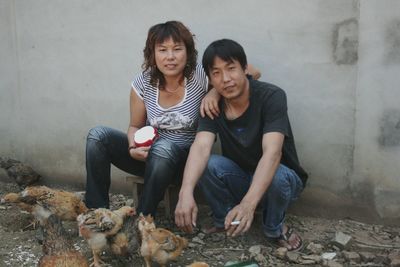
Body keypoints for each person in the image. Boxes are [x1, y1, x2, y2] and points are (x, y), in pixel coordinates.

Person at [84, 21, 259, 216]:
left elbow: (252, 72)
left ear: (188, 51)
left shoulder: (200, 76)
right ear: (153, 53)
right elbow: (134, 126)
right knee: (97, 136)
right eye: (162, 50)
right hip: (149, 159)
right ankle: (96, 213)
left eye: (177, 49)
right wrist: (133, 147)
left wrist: (214, 93)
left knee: (164, 147)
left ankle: (142, 218)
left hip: (183, 164)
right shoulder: (142, 82)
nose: (170, 57)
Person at [175, 39, 308, 251]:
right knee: (206, 162)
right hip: (242, 177)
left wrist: (247, 204)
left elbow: (273, 153)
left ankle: (274, 228)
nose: (225, 79)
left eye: (231, 69)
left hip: (282, 181)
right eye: (216, 73)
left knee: (278, 174)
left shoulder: (271, 96)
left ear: (245, 69)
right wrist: (185, 192)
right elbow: (200, 148)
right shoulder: (211, 106)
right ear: (210, 79)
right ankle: (225, 219)